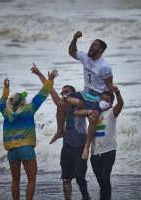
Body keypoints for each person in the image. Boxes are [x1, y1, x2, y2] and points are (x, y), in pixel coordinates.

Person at [31, 63, 91, 200]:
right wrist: (39, 73)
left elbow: (79, 102)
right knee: (66, 179)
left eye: (66, 92)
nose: (63, 94)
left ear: (73, 94)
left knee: (80, 177)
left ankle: (86, 197)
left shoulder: (80, 105)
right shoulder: (61, 106)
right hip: (67, 147)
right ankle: (67, 199)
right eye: (62, 92)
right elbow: (50, 89)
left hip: (81, 147)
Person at [0, 68, 58, 200]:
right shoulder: (29, 109)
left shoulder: (5, 111)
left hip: (12, 150)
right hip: (26, 149)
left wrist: (6, 89)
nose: (25, 100)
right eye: (24, 99)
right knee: (31, 180)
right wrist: (50, 80)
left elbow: (2, 103)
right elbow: (42, 94)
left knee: (15, 181)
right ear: (22, 102)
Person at [56, 30, 114, 160]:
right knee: (61, 104)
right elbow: (71, 52)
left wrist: (108, 103)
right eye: (91, 44)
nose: (91, 46)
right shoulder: (85, 57)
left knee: (93, 117)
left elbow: (109, 87)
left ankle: (87, 146)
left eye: (94, 45)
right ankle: (60, 131)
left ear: (101, 50)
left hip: (96, 98)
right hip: (84, 93)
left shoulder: (105, 67)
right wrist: (75, 38)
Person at [74, 86, 124, 200]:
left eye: (107, 100)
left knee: (105, 178)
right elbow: (77, 111)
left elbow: (120, 104)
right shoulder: (94, 112)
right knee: (100, 180)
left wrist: (118, 93)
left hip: (108, 152)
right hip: (95, 154)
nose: (103, 101)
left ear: (111, 104)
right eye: (102, 99)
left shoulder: (111, 113)